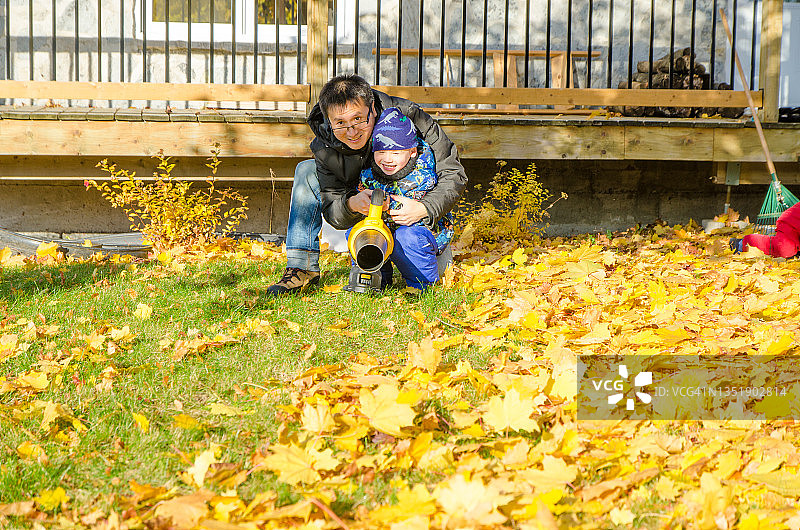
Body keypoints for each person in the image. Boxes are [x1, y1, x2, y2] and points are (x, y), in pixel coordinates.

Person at [266, 74, 467, 294]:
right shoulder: (324, 146)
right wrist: (351, 204)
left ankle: (423, 254)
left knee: (430, 268)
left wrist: (425, 208)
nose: (351, 132)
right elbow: (333, 209)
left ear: (372, 108)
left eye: (358, 119)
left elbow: (453, 173)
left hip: (417, 216)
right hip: (369, 213)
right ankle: (301, 267)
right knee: (306, 170)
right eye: (340, 123)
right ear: (328, 119)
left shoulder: (408, 116)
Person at [354, 106, 455, 290]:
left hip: (421, 233)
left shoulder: (422, 176)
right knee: (361, 233)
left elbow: (418, 208)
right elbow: (360, 196)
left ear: (412, 152)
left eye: (396, 153)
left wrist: (389, 204)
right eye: (381, 152)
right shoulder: (368, 175)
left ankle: (421, 283)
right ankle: (376, 279)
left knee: (406, 237)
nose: (387, 159)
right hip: (385, 231)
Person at [730, 202, 800, 258]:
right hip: (791, 222)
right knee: (784, 249)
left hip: (795, 224)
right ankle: (740, 244)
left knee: (790, 251)